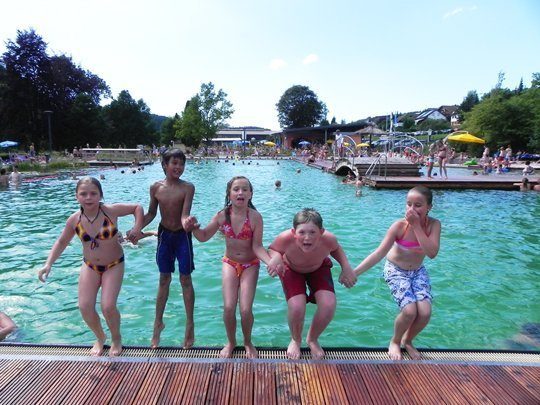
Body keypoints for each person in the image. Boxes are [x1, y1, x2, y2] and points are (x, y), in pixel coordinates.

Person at [37, 177, 143, 356]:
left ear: (101, 195)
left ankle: (116, 338)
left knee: (108, 306)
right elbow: (62, 241)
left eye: (93, 193)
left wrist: (137, 228)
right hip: (90, 265)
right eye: (83, 194)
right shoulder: (74, 220)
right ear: (76, 196)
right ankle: (100, 337)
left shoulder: (110, 211)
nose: (88, 197)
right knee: (85, 306)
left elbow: (137, 208)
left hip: (114, 264)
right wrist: (48, 263)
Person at [185, 176, 275, 359]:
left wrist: (270, 262)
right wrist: (192, 228)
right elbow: (203, 237)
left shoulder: (256, 217)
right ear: (229, 194)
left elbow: (257, 247)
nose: (240, 192)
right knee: (228, 307)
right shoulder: (222, 216)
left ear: (250, 194)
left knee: (245, 309)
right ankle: (231, 341)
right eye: (236, 189)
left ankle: (248, 341)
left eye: (244, 189)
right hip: (230, 263)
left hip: (250, 265)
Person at [353, 186, 441, 360]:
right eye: (409, 204)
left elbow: (431, 253)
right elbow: (378, 253)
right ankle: (395, 341)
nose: (412, 209)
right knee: (409, 311)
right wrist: (355, 273)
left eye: (418, 205)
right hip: (396, 270)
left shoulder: (434, 225)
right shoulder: (399, 227)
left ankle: (407, 341)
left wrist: (417, 227)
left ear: (429, 207)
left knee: (424, 312)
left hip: (417, 271)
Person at [267, 208, 357, 360]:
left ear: (321, 232)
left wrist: (346, 267)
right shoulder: (285, 238)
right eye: (302, 232)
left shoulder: (329, 239)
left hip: (318, 267)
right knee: (297, 306)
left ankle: (312, 339)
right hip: (292, 269)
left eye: (312, 232)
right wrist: (275, 257)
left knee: (329, 304)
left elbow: (336, 249)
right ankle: (296, 339)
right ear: (293, 232)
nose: (307, 238)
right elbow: (273, 249)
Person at [138, 149, 196, 349]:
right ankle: (158, 323)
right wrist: (137, 229)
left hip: (182, 236)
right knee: (164, 279)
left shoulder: (187, 187)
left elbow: (184, 214)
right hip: (164, 235)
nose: (178, 167)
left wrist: (187, 222)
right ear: (164, 164)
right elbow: (152, 213)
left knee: (185, 279)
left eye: (181, 164)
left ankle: (190, 324)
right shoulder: (156, 187)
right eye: (174, 163)